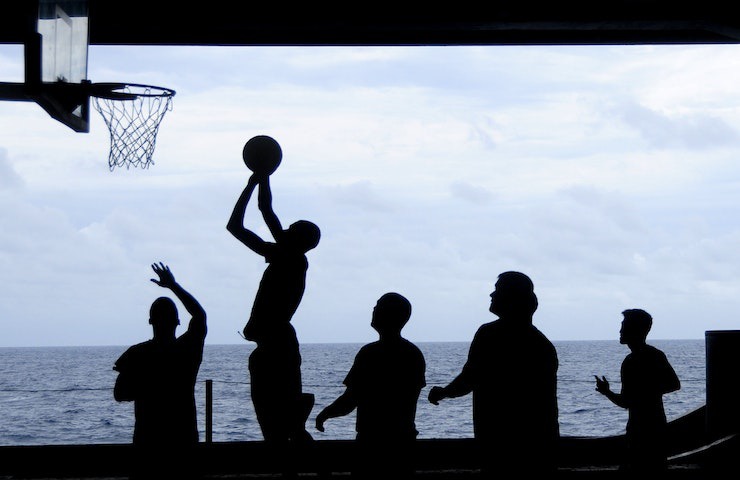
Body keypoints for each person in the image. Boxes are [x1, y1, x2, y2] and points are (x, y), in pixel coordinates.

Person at [227, 145, 321, 446]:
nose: (285, 229)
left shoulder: (293, 259)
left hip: (278, 345)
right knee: (280, 426)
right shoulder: (281, 255)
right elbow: (235, 227)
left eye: (291, 229)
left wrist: (262, 177)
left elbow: (265, 210)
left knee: (279, 425)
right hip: (274, 345)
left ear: (299, 239)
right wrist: (251, 183)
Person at [427, 271, 559, 474]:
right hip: (538, 448)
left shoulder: (489, 334)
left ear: (511, 299)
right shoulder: (542, 344)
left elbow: (470, 378)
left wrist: (444, 392)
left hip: (497, 445)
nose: (491, 295)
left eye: (497, 290)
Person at [315, 292, 426, 479]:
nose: (374, 310)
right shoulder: (413, 353)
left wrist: (325, 414)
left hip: (371, 441)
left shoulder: (369, 354)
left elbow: (351, 399)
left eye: (379, 306)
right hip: (403, 441)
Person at [113, 262, 207, 478]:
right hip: (183, 438)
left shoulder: (136, 354)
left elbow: (120, 394)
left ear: (150, 321)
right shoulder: (187, 350)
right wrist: (173, 286)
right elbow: (200, 316)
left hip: (148, 440)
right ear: (177, 321)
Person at [594, 308, 681, 472]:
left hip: (641, 432)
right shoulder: (652, 356)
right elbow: (673, 384)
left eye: (624, 325)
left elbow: (627, 401)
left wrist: (608, 392)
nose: (620, 330)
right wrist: (608, 392)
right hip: (653, 429)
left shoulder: (631, 361)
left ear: (636, 329)